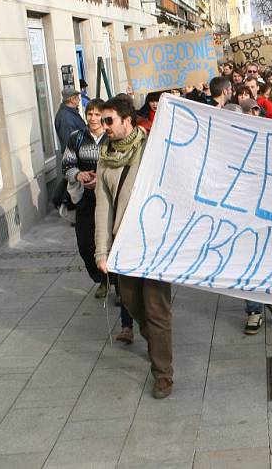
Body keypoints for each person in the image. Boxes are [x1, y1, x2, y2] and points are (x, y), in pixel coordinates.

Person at [94, 95, 174, 399]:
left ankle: (163, 373)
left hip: (153, 243)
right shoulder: (105, 157)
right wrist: (102, 252)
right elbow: (103, 209)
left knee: (157, 309)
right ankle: (155, 340)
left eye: (110, 120)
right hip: (123, 246)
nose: (105, 126)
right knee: (130, 302)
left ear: (129, 120)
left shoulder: (152, 149)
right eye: (102, 120)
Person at [63, 99, 134, 342]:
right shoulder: (77, 138)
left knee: (115, 251)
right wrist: (80, 174)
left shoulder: (113, 138)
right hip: (85, 199)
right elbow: (68, 164)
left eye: (99, 115)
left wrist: (102, 179)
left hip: (113, 202)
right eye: (91, 114)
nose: (95, 119)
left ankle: (119, 296)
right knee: (86, 244)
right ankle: (101, 277)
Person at [54, 88, 86, 152]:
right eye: (77, 98)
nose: (79, 100)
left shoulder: (70, 113)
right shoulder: (65, 117)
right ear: (72, 99)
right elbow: (69, 142)